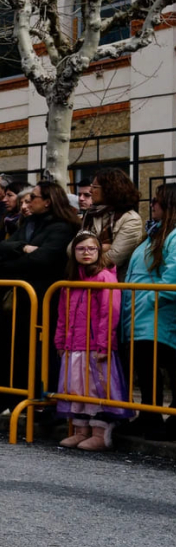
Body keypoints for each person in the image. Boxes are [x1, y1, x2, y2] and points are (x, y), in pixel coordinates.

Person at [0, 181, 80, 415]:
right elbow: (3, 247)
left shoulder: (63, 227)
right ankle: (18, 397)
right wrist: (24, 248)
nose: (27, 202)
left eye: (33, 198)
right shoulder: (28, 224)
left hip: (44, 298)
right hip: (23, 296)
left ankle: (41, 399)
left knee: (39, 351)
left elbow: (43, 260)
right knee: (16, 349)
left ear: (47, 201)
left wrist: (16, 258)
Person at [55, 231, 130, 450]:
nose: (86, 253)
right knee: (77, 388)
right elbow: (62, 314)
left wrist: (105, 344)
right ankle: (81, 430)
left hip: (95, 345)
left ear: (99, 251)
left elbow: (110, 313)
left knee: (98, 388)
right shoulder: (72, 278)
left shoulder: (105, 276)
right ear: (74, 252)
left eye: (91, 248)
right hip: (74, 345)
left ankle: (100, 433)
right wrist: (60, 342)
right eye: (81, 249)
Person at [120, 183, 176, 441]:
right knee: (145, 367)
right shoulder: (153, 235)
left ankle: (161, 419)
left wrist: (152, 299)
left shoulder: (172, 236)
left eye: (157, 200)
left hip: (159, 314)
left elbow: (172, 277)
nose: (151, 204)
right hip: (142, 312)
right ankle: (149, 416)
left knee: (161, 366)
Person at [79, 168, 145, 276]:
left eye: (95, 187)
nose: (90, 191)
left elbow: (114, 258)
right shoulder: (91, 214)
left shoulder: (131, 219)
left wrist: (84, 256)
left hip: (113, 283)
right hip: (87, 280)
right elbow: (71, 248)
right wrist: (102, 246)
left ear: (109, 190)